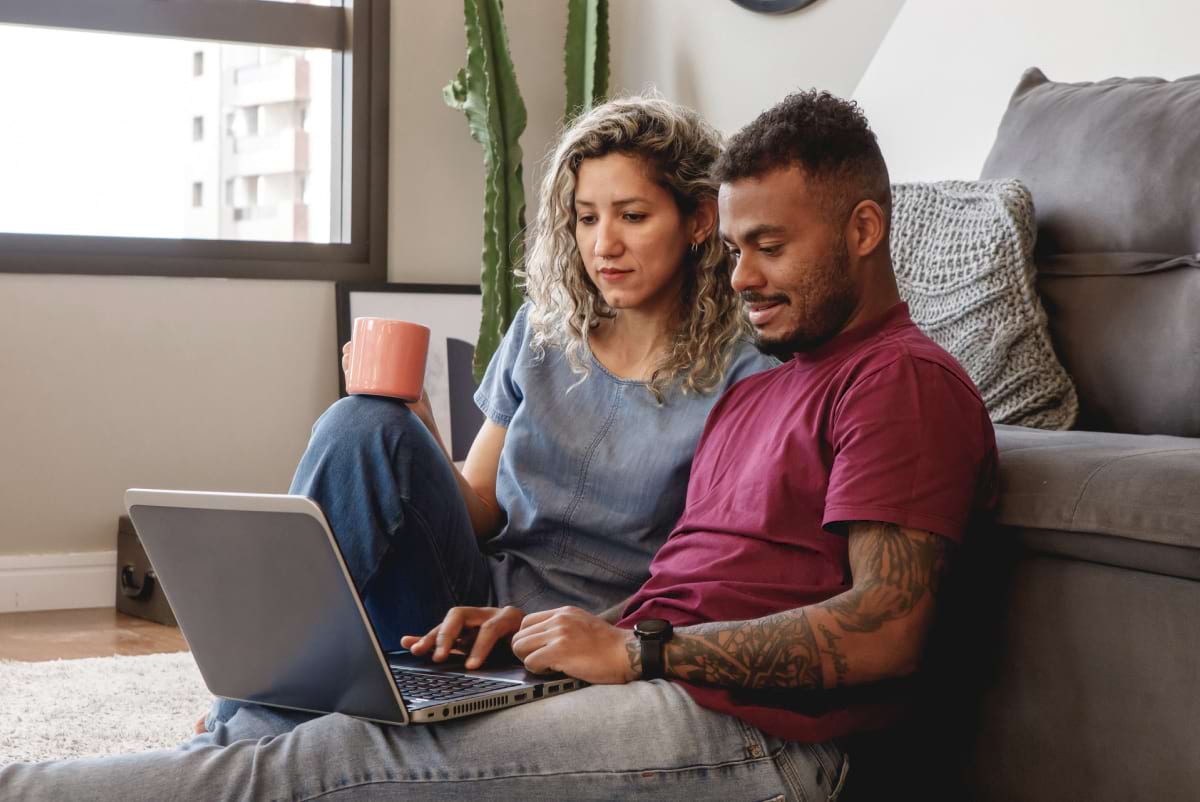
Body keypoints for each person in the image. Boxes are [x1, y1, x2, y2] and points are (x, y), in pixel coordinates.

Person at [2, 90, 997, 802]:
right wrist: (535, 647)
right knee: (344, 730)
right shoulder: (780, 382)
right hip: (632, 666)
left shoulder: (893, 380)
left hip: (747, 734)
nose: (740, 277)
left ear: (865, 230)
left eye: (766, 248)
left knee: (324, 767)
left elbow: (887, 627)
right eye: (737, 251)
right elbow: (690, 576)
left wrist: (638, 644)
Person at [204, 94, 774, 730]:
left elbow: (708, 581)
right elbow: (479, 506)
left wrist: (593, 637)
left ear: (698, 219)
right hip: (470, 608)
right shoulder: (542, 331)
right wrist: (413, 421)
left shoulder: (745, 378)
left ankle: (244, 730)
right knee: (359, 422)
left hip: (585, 641)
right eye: (585, 219)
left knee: (270, 738)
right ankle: (248, 694)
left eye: (633, 216)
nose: (603, 244)